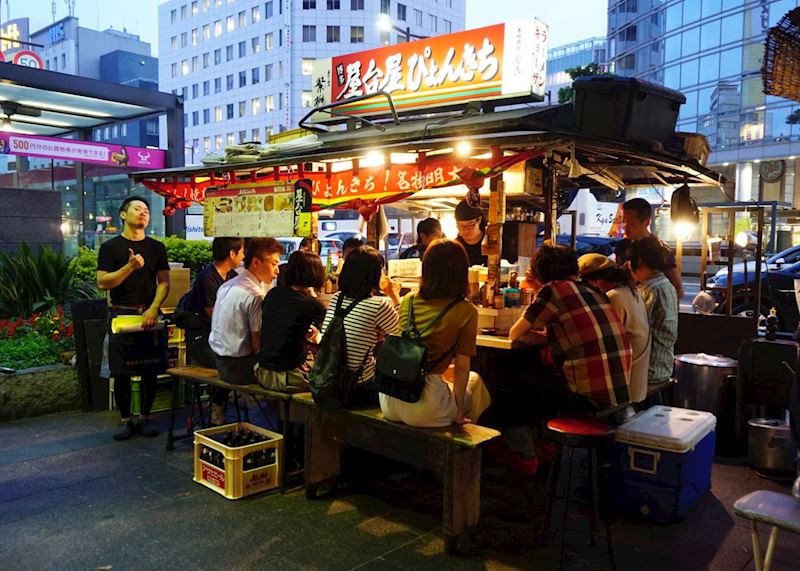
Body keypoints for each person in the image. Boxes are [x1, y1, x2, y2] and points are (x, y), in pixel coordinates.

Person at [380, 239, 491, 427]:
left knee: (448, 381)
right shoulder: (466, 311)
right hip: (425, 408)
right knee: (475, 381)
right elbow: (463, 366)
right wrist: (458, 412)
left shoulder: (408, 300)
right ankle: (467, 441)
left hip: (390, 398)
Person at [509, 243, 631, 410]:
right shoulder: (593, 290)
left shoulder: (552, 290)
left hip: (588, 398)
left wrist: (540, 291)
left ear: (539, 272)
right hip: (619, 394)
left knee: (519, 388)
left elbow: (514, 333)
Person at [97, 195, 170, 441]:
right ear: (123, 214)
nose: (143, 213)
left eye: (146, 210)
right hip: (122, 315)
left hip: (149, 314)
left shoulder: (157, 248)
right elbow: (103, 282)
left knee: (150, 368)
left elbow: (164, 283)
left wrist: (153, 308)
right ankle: (126, 419)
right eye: (137, 209)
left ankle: (146, 417)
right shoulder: (110, 248)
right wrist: (129, 267)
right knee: (121, 371)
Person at [208, 238, 283, 423]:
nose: (277, 271)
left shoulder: (226, 285)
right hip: (239, 368)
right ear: (256, 262)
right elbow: (257, 346)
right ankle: (276, 429)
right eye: (274, 264)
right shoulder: (255, 295)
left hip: (219, 360)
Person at [319, 245, 399, 405]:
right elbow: (403, 334)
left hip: (326, 382)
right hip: (356, 388)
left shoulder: (336, 298)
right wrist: (394, 295)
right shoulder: (378, 305)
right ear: (374, 276)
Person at [578, 253, 651, 403]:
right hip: (637, 381)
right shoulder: (632, 292)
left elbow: (603, 341)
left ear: (595, 282)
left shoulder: (613, 297)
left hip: (623, 386)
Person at [255, 250, 327, 392]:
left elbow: (282, 323)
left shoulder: (273, 294)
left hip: (262, 372)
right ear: (315, 273)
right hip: (291, 376)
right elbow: (330, 332)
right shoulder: (311, 304)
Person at [182, 237, 245, 369]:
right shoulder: (207, 278)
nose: (243, 256)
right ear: (232, 254)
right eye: (241, 252)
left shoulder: (232, 276)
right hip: (202, 338)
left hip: (222, 338)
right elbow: (214, 315)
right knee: (232, 366)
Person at [627, 236, 679, 385]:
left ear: (639, 261)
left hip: (647, 371)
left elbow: (636, 332)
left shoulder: (647, 290)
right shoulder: (667, 285)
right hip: (664, 368)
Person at [616, 197, 684, 300]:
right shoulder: (622, 246)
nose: (625, 228)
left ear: (647, 222)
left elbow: (678, 289)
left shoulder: (661, 249)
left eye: (631, 223)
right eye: (623, 222)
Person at [454, 200, 487, 267]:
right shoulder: (455, 246)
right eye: (461, 226)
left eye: (470, 225)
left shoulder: (489, 242)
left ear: (479, 220)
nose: (466, 230)